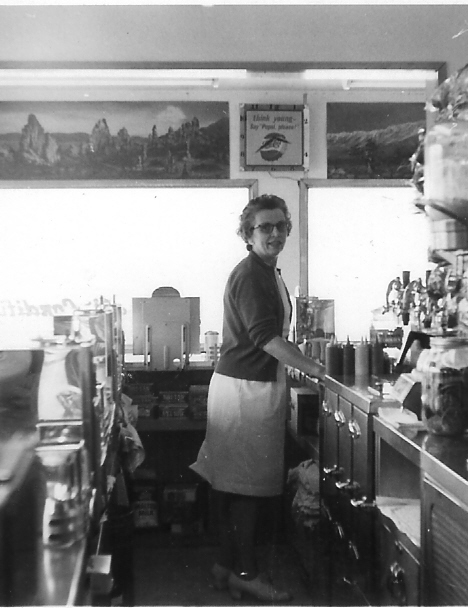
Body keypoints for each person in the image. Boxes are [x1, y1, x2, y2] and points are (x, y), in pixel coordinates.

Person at [190, 194, 326, 602]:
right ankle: (245, 573)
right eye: (265, 227)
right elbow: (265, 338)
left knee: (237, 486)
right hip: (245, 392)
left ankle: (224, 567)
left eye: (281, 225)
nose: (276, 233)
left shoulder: (267, 271)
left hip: (251, 389)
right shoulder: (251, 274)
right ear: (247, 234)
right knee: (247, 490)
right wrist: (316, 369)